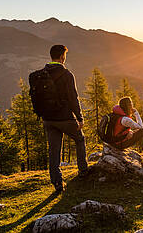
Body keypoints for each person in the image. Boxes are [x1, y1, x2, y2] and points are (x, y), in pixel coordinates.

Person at [41, 45, 88, 192]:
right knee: (80, 139)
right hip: (65, 118)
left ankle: (57, 183)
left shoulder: (42, 74)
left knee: (53, 150)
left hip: (48, 119)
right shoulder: (67, 75)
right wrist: (79, 118)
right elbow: (73, 98)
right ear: (62, 57)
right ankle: (83, 172)